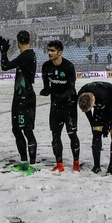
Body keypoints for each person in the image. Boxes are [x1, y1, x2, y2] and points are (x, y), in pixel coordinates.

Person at [0, 31, 38, 175]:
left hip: (25, 98)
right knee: (17, 129)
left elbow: (4, 66)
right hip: (20, 97)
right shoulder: (27, 55)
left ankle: (31, 165)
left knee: (26, 130)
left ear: (18, 41)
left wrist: (3, 52)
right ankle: (24, 162)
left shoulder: (26, 55)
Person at [40, 40, 80, 173]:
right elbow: (47, 86)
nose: (49, 53)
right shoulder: (46, 66)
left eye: (52, 51)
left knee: (72, 134)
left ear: (60, 52)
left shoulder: (68, 66)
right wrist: (45, 91)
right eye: (48, 50)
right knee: (55, 135)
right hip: (55, 106)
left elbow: (71, 87)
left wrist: (61, 96)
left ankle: (76, 163)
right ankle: (59, 164)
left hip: (69, 105)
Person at [77, 81, 112, 175]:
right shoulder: (81, 95)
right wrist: (92, 124)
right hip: (101, 102)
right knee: (96, 133)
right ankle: (96, 166)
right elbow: (87, 111)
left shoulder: (104, 95)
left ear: (93, 100)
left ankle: (111, 168)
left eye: (93, 106)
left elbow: (110, 112)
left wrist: (107, 126)